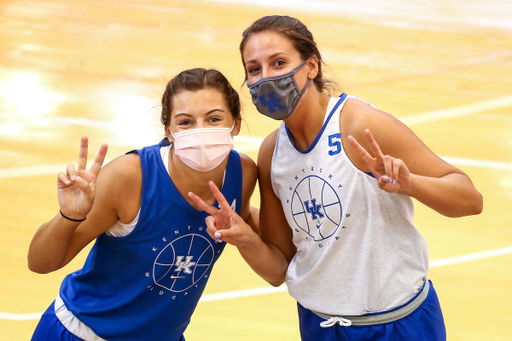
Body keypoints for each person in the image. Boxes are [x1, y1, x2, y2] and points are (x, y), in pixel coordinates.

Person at [189, 15, 483, 341]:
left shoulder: (358, 125)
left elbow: (470, 199)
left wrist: (412, 184)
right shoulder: (272, 153)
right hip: (321, 326)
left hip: (399, 325)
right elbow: (277, 270)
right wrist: (243, 235)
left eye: (279, 62)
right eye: (254, 69)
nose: (267, 77)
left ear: (311, 65)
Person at [27, 68, 258, 341]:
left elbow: (246, 223)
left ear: (236, 123)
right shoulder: (129, 177)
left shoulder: (242, 173)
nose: (201, 132)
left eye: (214, 119)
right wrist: (69, 215)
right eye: (185, 122)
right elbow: (40, 263)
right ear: (168, 131)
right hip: (83, 333)